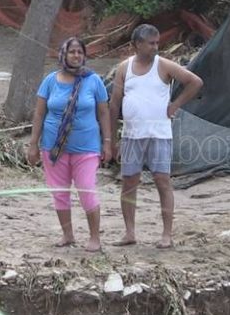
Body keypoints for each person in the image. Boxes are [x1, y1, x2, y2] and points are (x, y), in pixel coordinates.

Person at [110, 24, 203, 249]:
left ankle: (166, 234)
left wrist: (175, 104)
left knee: (162, 181)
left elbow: (195, 82)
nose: (155, 47)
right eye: (150, 43)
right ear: (137, 45)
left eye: (156, 43)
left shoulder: (164, 65)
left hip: (159, 134)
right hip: (132, 135)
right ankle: (130, 232)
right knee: (129, 182)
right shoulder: (125, 68)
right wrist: (112, 138)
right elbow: (114, 103)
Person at [26, 37, 112, 252]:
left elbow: (103, 112)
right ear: (63, 55)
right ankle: (68, 235)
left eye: (79, 52)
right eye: (72, 52)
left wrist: (108, 142)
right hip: (54, 148)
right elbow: (39, 113)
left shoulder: (93, 81)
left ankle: (94, 238)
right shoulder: (50, 81)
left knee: (87, 190)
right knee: (60, 192)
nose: (76, 56)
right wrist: (33, 144)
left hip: (87, 147)